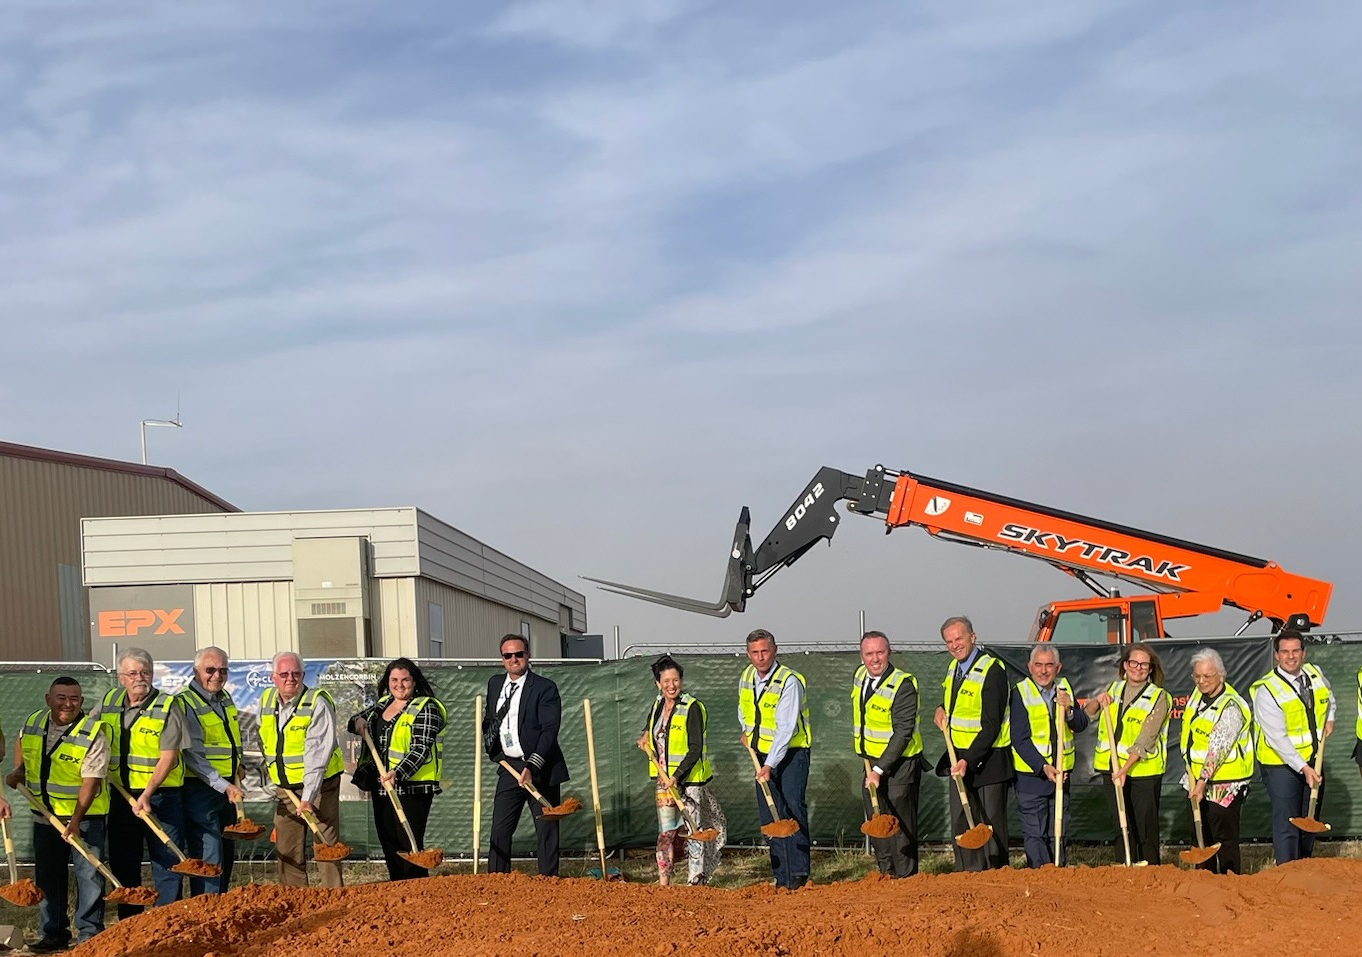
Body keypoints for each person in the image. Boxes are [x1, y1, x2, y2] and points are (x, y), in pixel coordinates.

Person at [7, 677, 110, 952]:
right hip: (44, 817)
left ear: (82, 701)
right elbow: (21, 742)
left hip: (85, 820)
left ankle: (90, 936)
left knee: (89, 878)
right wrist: (19, 771)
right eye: (61, 697)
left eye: (74, 698)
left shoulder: (92, 732)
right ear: (48, 699)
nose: (68, 704)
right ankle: (53, 934)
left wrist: (75, 821)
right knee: (48, 877)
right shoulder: (34, 721)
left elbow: (91, 781)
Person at [93, 647, 187, 917]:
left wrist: (147, 794)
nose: (140, 678)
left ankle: (166, 920)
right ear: (121, 677)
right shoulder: (109, 701)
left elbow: (168, 757)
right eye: (132, 673)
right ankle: (129, 923)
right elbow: (85, 733)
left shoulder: (168, 706)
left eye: (145, 672)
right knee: (124, 861)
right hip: (122, 796)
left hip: (160, 797)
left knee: (167, 860)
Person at [348, 657, 447, 880]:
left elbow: (420, 748)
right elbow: (356, 719)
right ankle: (398, 888)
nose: (399, 685)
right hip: (381, 784)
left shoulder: (425, 707)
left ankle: (416, 889)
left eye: (405, 680)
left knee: (409, 841)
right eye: (394, 680)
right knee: (389, 840)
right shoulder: (383, 704)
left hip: (412, 787)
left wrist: (398, 773)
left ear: (414, 681)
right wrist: (358, 722)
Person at [483, 634, 570, 876]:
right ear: (502, 659)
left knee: (546, 828)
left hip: (540, 768)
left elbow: (549, 730)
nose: (514, 659)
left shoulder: (544, 688)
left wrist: (532, 765)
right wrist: (493, 750)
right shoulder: (494, 684)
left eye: (518, 654)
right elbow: (489, 720)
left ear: (528, 655)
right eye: (508, 655)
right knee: (500, 827)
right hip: (509, 767)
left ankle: (548, 879)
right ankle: (497, 879)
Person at [637, 654, 725, 886]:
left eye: (675, 680)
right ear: (658, 683)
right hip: (663, 782)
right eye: (665, 681)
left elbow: (696, 748)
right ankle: (664, 881)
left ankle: (695, 881)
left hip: (689, 782)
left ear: (681, 680)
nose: (671, 686)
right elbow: (650, 728)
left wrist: (677, 777)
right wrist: (645, 735)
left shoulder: (692, 707)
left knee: (694, 832)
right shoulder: (657, 705)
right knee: (665, 833)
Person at [259, 651, 345, 887]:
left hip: (319, 788)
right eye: (284, 674)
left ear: (303, 675)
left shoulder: (317, 703)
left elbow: (318, 754)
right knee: (287, 847)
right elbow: (264, 740)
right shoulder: (266, 700)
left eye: (296, 674)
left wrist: (307, 797)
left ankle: (333, 897)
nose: (290, 679)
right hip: (286, 789)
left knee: (324, 842)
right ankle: (296, 898)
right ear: (273, 677)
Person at [933, 616, 1012, 871]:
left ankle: (996, 875)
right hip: (959, 759)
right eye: (949, 641)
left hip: (987, 761)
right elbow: (956, 704)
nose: (955, 645)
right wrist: (941, 709)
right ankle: (967, 873)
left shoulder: (992, 669)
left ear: (972, 637)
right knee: (962, 820)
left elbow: (992, 724)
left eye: (959, 638)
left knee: (990, 824)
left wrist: (970, 758)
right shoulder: (952, 668)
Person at [1250, 630, 1335, 865]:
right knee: (1288, 819)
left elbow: (1329, 698)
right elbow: (1278, 738)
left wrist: (1331, 717)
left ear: (1303, 653)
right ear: (1276, 655)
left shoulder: (1314, 674)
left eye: (1295, 651)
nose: (1291, 656)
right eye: (1285, 652)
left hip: (1312, 758)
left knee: (1310, 815)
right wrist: (1303, 768)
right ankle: (1287, 870)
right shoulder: (1267, 690)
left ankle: (1304, 865)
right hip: (1280, 765)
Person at [1084, 642, 1171, 866]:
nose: (1138, 668)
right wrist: (1097, 701)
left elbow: (1146, 738)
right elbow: (1089, 714)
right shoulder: (1113, 689)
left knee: (1144, 826)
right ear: (1125, 665)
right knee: (1121, 823)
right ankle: (1126, 867)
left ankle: (1150, 869)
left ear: (1151, 669)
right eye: (1134, 662)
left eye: (1144, 664)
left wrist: (1124, 769)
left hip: (1142, 771)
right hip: (1112, 770)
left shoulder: (1159, 697)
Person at [738, 628, 811, 890]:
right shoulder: (746, 677)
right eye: (755, 653)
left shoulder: (789, 681)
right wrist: (747, 733)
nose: (760, 658)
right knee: (770, 814)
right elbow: (744, 709)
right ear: (748, 654)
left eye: (765, 651)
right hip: (761, 755)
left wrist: (770, 764)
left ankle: (799, 874)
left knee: (791, 810)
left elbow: (786, 728)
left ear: (774, 651)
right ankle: (781, 875)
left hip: (790, 754)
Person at [852, 630, 923, 878]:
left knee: (899, 824)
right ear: (862, 656)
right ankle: (885, 873)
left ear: (889, 653)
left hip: (900, 765)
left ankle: (906, 877)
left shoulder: (903, 684)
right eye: (869, 653)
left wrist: (879, 770)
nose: (874, 659)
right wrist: (871, 767)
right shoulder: (860, 676)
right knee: (877, 819)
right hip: (869, 762)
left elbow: (903, 732)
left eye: (880, 652)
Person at [1010, 643, 1088, 868]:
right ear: (1030, 667)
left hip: (1062, 774)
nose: (1043, 671)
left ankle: (1058, 875)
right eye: (1038, 665)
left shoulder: (1064, 688)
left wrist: (1070, 710)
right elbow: (1020, 739)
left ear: (1058, 667)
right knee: (1035, 832)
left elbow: (1080, 724)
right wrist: (1043, 766)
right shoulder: (1020, 693)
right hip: (1032, 777)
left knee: (1059, 830)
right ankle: (1042, 878)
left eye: (1049, 665)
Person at [1180, 648, 1254, 874]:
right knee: (1201, 835)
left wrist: (1202, 782)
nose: (1201, 681)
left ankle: (1230, 880)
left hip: (1225, 783)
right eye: (1197, 676)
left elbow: (1218, 749)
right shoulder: (1196, 696)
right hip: (1196, 780)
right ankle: (1205, 881)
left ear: (1221, 675)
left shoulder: (1231, 706)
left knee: (1224, 839)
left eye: (1207, 676)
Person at [178, 646, 243, 896]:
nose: (217, 675)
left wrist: (239, 765)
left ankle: (221, 905)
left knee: (226, 851)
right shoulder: (186, 703)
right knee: (209, 851)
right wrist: (223, 784)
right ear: (196, 671)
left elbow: (230, 738)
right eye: (210, 670)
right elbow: (193, 754)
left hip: (227, 785)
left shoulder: (225, 698)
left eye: (223, 670)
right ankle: (205, 907)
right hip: (202, 788)